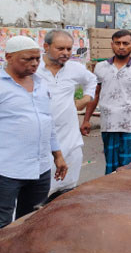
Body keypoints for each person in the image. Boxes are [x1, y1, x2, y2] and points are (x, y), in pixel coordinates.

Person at [0, 36, 68, 230]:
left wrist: (57, 155)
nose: (33, 64)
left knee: (32, 221)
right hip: (5, 171)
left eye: (37, 59)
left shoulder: (40, 85)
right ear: (8, 57)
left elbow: (47, 122)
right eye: (27, 59)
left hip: (40, 168)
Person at [81, 30, 131, 174]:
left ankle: (127, 194)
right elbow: (95, 94)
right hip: (109, 125)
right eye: (118, 43)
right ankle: (110, 194)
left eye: (125, 43)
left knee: (129, 167)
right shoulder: (101, 67)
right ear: (112, 45)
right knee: (111, 165)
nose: (121, 47)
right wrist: (86, 120)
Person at [36, 30, 98, 197]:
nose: (66, 53)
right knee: (41, 191)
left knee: (67, 189)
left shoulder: (74, 68)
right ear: (46, 46)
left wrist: (86, 98)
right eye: (60, 48)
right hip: (41, 141)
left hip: (70, 138)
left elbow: (92, 80)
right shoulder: (34, 70)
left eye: (69, 49)